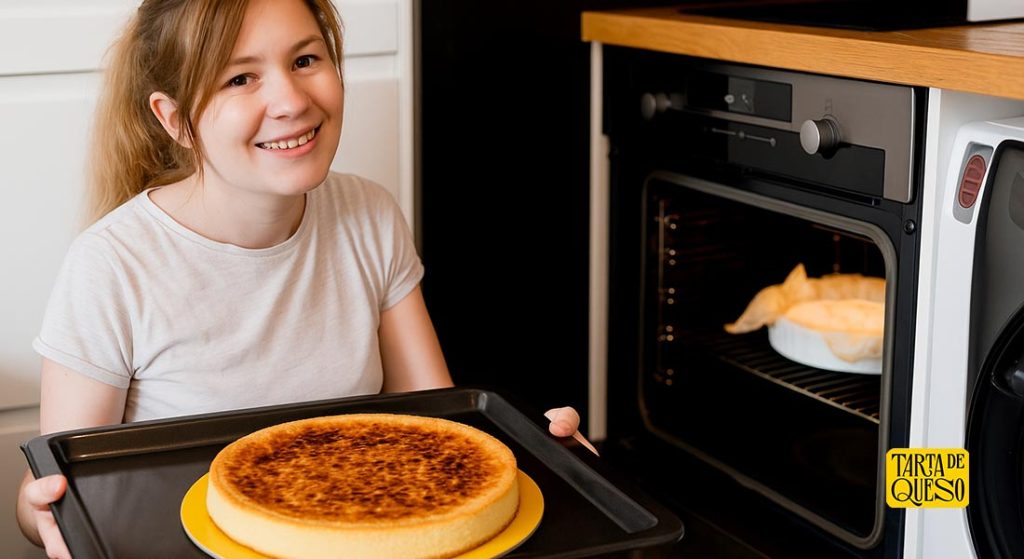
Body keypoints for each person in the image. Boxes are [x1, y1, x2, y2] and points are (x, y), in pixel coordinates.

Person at [15, 1, 586, 557]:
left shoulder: (369, 213)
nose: (290, 100)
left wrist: (535, 458)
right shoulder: (111, 267)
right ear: (174, 119)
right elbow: (52, 492)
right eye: (240, 78)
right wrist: (45, 513)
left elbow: (438, 422)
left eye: (306, 60)